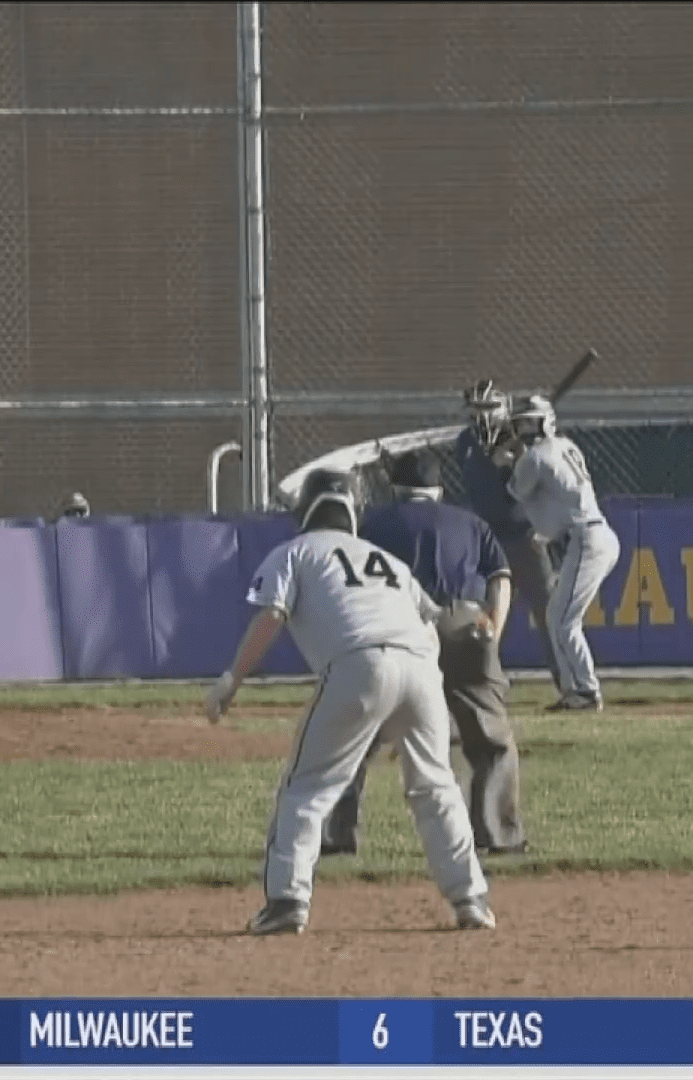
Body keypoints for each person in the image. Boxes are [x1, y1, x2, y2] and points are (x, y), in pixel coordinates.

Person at [205, 468, 494, 936]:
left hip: (359, 664)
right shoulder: (386, 560)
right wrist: (413, 708)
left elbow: (269, 618)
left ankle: (286, 901)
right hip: (422, 667)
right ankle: (470, 900)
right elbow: (434, 621)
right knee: (435, 787)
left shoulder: (294, 552)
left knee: (307, 787)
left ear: (306, 510)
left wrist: (230, 680)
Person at [322, 451, 529, 857]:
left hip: (396, 624)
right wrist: (492, 637)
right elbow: (501, 581)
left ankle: (335, 835)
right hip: (464, 623)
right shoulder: (472, 523)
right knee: (490, 740)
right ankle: (498, 835)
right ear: (438, 489)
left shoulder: (371, 523)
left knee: (354, 735)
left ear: (397, 488)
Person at [495, 395, 621, 710]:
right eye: (520, 422)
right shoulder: (566, 445)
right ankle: (576, 690)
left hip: (586, 538)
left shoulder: (533, 458)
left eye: (528, 421)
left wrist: (503, 462)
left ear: (542, 422)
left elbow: (514, 492)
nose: (523, 427)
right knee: (558, 617)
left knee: (562, 620)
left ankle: (584, 691)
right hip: (594, 534)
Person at [452, 379, 565, 693]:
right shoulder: (466, 441)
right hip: (487, 540)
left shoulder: (524, 443)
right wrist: (495, 457)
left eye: (488, 408)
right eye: (477, 409)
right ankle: (482, 679)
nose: (482, 415)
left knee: (548, 611)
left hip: (524, 536)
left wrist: (516, 459)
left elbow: (533, 484)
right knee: (483, 615)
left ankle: (568, 682)